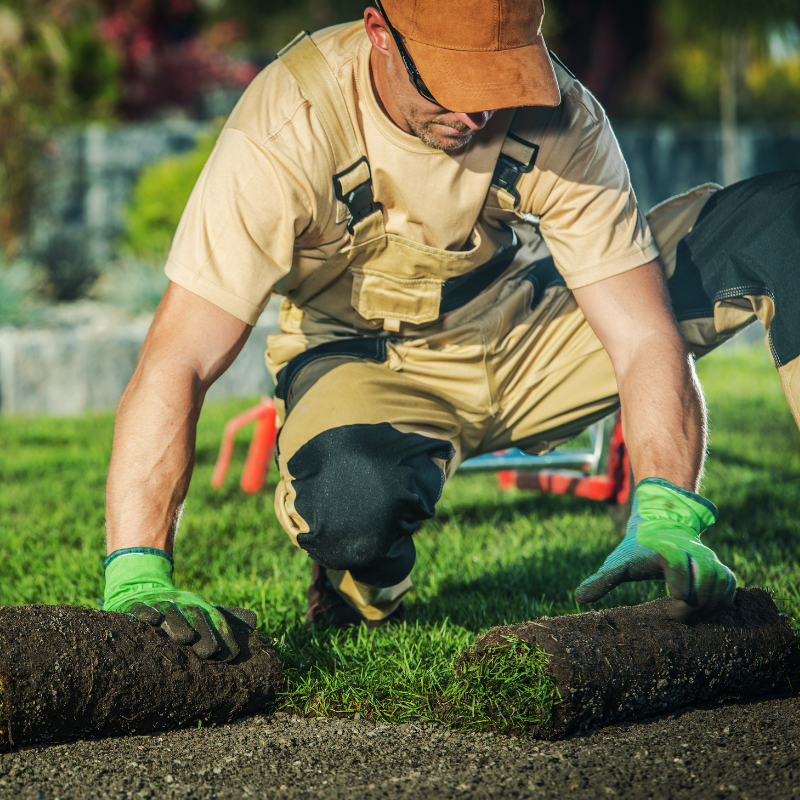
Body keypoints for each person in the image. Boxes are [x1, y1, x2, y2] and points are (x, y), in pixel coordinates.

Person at [101, 0, 800, 659]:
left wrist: (667, 512)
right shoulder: (290, 123)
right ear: (380, 31)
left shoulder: (563, 115)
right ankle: (362, 585)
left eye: (498, 80)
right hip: (368, 363)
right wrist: (137, 568)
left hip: (529, 330)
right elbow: (179, 359)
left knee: (783, 221)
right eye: (451, 83)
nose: (475, 111)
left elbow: (643, 335)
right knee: (350, 505)